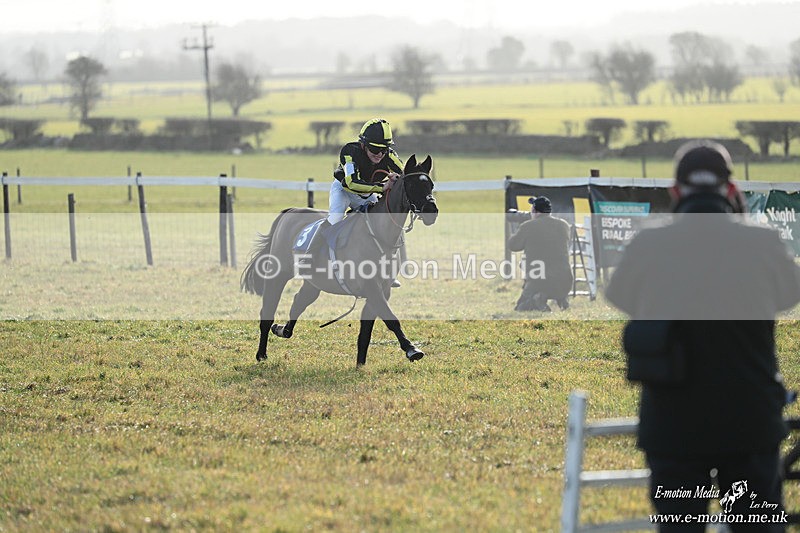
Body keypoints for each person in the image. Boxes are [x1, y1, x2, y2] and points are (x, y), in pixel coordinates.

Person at [605, 140, 800, 531]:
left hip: (673, 423)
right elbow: (789, 295)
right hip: (750, 419)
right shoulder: (762, 242)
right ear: (730, 190)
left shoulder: (650, 243)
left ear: (675, 191)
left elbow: (619, 295)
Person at [305, 118, 404, 285]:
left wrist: (398, 177)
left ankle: (387, 272)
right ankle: (309, 258)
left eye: (384, 149)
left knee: (382, 225)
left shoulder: (389, 156)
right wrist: (382, 188)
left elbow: (404, 174)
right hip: (344, 191)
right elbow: (352, 183)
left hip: (368, 193)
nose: (379, 154)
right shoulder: (349, 151)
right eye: (374, 149)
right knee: (335, 218)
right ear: (364, 145)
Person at [507, 196, 573, 312]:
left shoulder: (528, 226)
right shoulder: (564, 225)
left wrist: (521, 228)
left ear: (534, 211)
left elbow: (513, 245)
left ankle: (537, 299)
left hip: (540, 281)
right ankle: (560, 298)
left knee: (520, 309)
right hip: (565, 282)